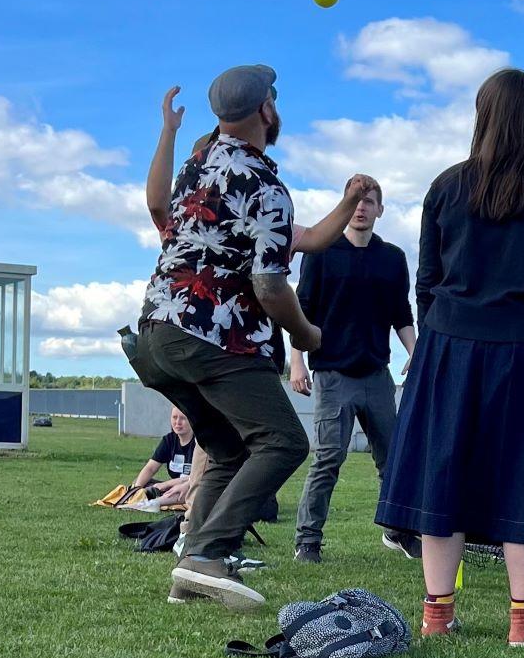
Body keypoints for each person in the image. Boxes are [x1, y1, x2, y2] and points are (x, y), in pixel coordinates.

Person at [129, 70, 367, 611]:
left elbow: (304, 239)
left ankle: (191, 566)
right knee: (283, 442)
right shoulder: (265, 188)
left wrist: (348, 199)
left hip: (156, 334)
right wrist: (306, 333)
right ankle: (206, 555)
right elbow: (269, 286)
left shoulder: (197, 167)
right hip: (215, 336)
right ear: (266, 110)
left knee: (229, 448)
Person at [377, 68, 524, 646]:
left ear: (482, 115)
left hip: (449, 345)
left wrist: (443, 334)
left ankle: (438, 615)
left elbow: (427, 281)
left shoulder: (446, 186)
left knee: (442, 471)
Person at [287, 182, 420, 564]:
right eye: (356, 201)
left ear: (380, 210)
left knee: (393, 460)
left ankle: (398, 530)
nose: (361, 208)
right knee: (328, 459)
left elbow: (401, 314)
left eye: (369, 202)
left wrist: (417, 353)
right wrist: (297, 361)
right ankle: (307, 542)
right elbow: (302, 309)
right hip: (332, 374)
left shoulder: (392, 258)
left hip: (377, 374)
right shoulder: (322, 252)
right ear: (346, 206)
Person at [124, 407, 196, 509]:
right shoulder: (169, 440)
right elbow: (151, 468)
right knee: (141, 482)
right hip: (173, 487)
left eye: (183, 418)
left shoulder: (200, 443)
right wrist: (136, 490)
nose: (177, 422)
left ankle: (153, 503)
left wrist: (167, 484)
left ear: (192, 419)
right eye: (174, 417)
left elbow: (198, 477)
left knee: (191, 489)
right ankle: (149, 499)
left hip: (192, 485)